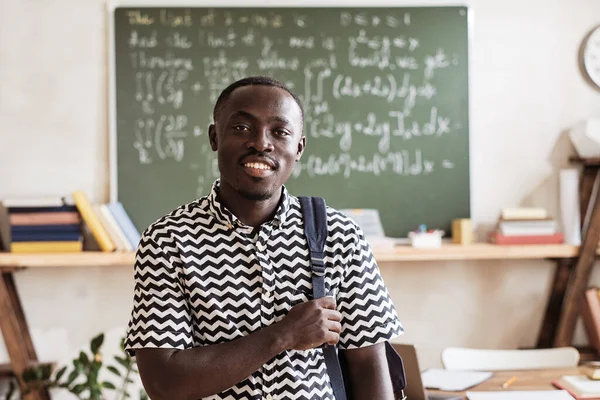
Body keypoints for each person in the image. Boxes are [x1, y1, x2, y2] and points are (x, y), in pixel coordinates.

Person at [124, 76, 404, 400]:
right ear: (215, 137)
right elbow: (164, 382)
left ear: (298, 147)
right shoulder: (168, 241)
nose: (261, 143)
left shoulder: (340, 236)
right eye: (242, 128)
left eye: (280, 132)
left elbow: (368, 366)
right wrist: (283, 335)